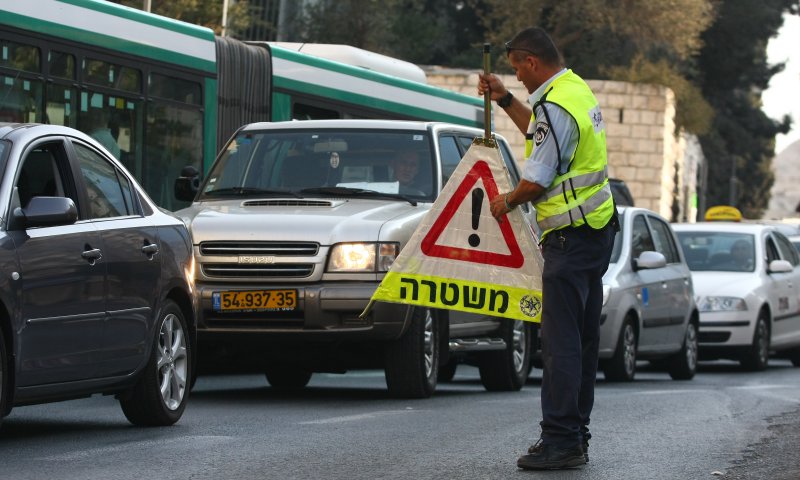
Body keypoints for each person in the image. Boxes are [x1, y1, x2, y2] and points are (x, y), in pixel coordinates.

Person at [480, 27, 617, 470]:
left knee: (561, 346)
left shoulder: (555, 103)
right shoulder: (574, 90)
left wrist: (505, 201)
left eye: (517, 68)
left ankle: (561, 440)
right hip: (594, 233)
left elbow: (537, 179)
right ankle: (575, 436)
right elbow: (544, 137)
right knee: (581, 340)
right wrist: (503, 100)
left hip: (570, 237)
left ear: (532, 62)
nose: (516, 76)